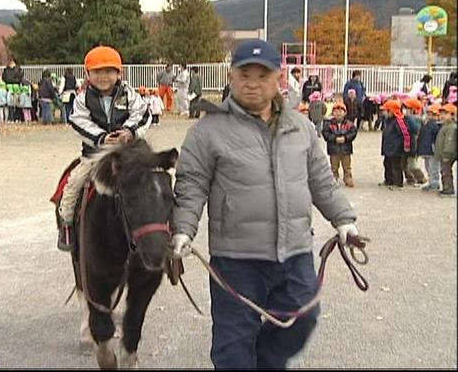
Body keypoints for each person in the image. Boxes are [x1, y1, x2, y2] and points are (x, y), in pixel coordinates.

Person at [170, 39, 359, 369]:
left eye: (262, 75)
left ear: (278, 80)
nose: (253, 83)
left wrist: (343, 219)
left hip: (295, 252)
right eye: (244, 74)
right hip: (236, 259)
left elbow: (322, 180)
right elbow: (191, 185)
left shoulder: (301, 127)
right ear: (231, 78)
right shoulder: (208, 130)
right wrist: (183, 229)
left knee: (304, 317)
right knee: (233, 344)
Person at [57, 45, 151, 251]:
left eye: (109, 71)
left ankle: (163, 228)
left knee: (154, 180)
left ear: (119, 73)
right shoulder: (83, 98)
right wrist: (101, 138)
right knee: (74, 183)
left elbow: (143, 114)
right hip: (96, 154)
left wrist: (129, 131)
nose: (103, 76)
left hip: (128, 153)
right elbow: (78, 121)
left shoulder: (129, 94)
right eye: (97, 71)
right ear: (87, 73)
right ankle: (66, 223)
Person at [322, 102, 357, 187]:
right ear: (332, 113)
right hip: (334, 149)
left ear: (345, 113)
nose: (338, 113)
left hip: (346, 149)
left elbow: (353, 133)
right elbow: (326, 134)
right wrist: (334, 139)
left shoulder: (349, 124)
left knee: (347, 166)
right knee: (334, 166)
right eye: (336, 111)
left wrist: (345, 138)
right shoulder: (329, 124)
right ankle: (334, 177)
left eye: (341, 111)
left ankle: (347, 177)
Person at [380, 100, 411, 190]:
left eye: (385, 110)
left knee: (396, 166)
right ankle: (388, 180)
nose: (383, 113)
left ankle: (398, 183)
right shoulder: (388, 121)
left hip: (396, 148)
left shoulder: (399, 121)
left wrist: (406, 146)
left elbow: (406, 134)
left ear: (391, 111)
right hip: (388, 147)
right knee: (387, 164)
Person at [402, 98, 427, 186]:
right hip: (408, 144)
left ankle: (421, 178)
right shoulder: (408, 118)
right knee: (404, 163)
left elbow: (416, 130)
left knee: (412, 165)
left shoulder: (414, 119)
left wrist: (409, 119)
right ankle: (410, 179)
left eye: (407, 108)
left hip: (413, 145)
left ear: (413, 109)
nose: (405, 110)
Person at [418, 104, 442, 192]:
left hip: (433, 150)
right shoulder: (426, 123)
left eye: (432, 114)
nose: (430, 116)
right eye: (429, 114)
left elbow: (437, 139)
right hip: (426, 149)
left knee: (433, 168)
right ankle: (431, 182)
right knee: (428, 167)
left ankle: (434, 184)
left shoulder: (438, 126)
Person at [435, 103, 457, 197]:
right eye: (441, 113)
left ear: (452, 115)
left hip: (447, 155)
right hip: (443, 154)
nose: (442, 116)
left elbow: (450, 142)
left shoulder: (452, 127)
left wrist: (447, 155)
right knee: (444, 171)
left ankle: (448, 190)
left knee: (446, 172)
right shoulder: (445, 126)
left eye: (445, 113)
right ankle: (446, 188)